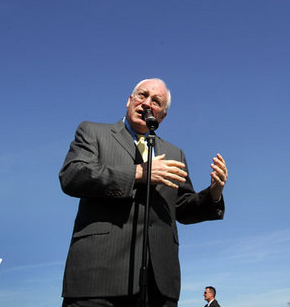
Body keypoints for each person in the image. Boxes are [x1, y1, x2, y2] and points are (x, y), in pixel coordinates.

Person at [59, 78, 228, 307]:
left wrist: (214, 193)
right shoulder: (93, 132)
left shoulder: (174, 154)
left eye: (156, 101)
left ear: (162, 116)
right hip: (98, 279)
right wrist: (138, 173)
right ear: (129, 100)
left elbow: (183, 208)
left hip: (159, 286)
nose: (147, 103)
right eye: (142, 95)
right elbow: (73, 175)